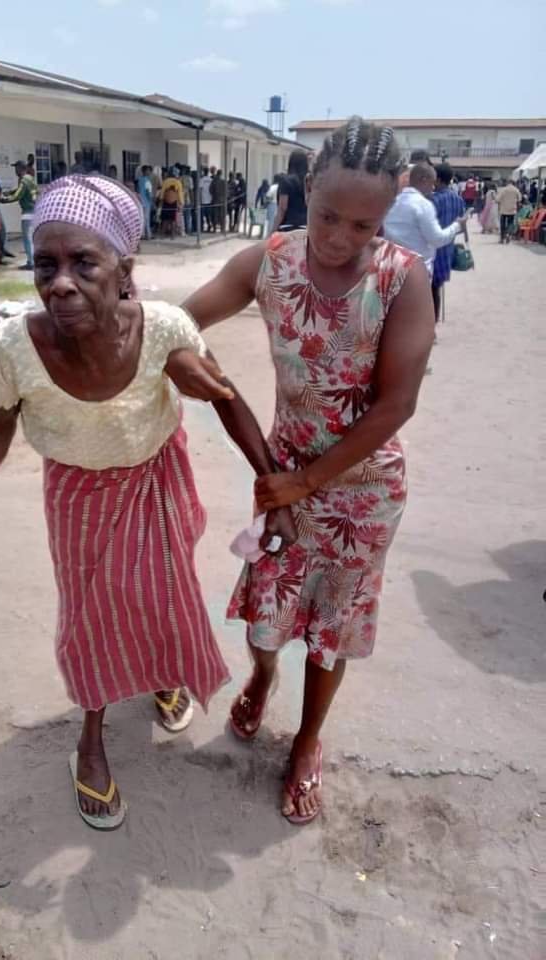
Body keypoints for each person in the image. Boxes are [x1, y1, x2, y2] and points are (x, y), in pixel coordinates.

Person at [0, 173, 288, 830]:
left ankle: (162, 673)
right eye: (46, 264)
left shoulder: (166, 329)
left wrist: (272, 485)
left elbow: (226, 399)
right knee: (91, 612)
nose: (60, 283)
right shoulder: (14, 345)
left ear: (123, 270)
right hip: (78, 491)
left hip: (156, 476)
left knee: (159, 593)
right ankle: (90, 740)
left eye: (83, 263)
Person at [179, 116, 435, 825]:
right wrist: (182, 355)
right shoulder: (269, 262)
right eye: (329, 215)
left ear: (385, 216)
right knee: (269, 616)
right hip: (284, 478)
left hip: (362, 491)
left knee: (332, 628)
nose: (341, 237)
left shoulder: (401, 280)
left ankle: (309, 740)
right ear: (308, 188)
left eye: (364, 224)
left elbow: (396, 405)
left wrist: (308, 481)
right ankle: (262, 682)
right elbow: (182, 321)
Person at [383, 163, 466, 276]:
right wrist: (457, 225)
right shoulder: (423, 205)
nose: (433, 188)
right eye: (432, 182)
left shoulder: (391, 202)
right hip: (416, 271)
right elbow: (437, 239)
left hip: (390, 268)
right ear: (424, 179)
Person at [430, 163, 466, 322]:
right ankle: (434, 323)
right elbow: (460, 226)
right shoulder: (458, 199)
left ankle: (429, 326)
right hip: (447, 251)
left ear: (437, 179)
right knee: (435, 289)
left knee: (427, 292)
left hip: (432, 250)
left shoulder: (432, 200)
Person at [0, 160, 38, 270]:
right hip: (35, 211)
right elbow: (20, 191)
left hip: (28, 212)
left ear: (21, 168)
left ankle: (31, 263)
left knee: (27, 239)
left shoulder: (24, 180)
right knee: (31, 238)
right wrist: (10, 192)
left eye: (16, 168)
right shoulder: (30, 178)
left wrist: (4, 200)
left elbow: (18, 195)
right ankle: (33, 260)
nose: (15, 171)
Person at [272, 149, 309, 232]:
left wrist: (272, 231)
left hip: (288, 225)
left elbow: (282, 208)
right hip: (306, 225)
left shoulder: (285, 181)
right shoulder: (310, 181)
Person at [496, 179, 521, 244]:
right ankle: (508, 234)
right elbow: (520, 199)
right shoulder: (516, 190)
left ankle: (502, 238)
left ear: (508, 183)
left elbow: (498, 199)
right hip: (512, 210)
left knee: (502, 224)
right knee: (510, 223)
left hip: (503, 210)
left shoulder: (503, 190)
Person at [136, 164, 153, 240]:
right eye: (148, 170)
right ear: (145, 171)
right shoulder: (147, 181)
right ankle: (147, 235)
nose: (149, 172)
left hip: (139, 201)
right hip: (146, 202)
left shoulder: (139, 180)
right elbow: (148, 193)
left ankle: (142, 234)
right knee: (146, 219)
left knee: (142, 218)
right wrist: (151, 201)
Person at [199, 166, 213, 232]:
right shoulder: (211, 179)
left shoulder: (202, 180)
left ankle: (202, 228)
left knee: (202, 215)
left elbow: (200, 189)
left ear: (203, 172)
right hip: (209, 200)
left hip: (203, 200)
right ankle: (209, 226)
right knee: (208, 215)